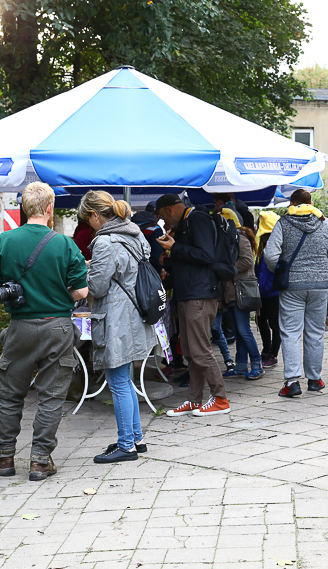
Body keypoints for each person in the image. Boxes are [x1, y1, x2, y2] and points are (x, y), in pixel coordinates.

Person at [0, 182, 89, 481]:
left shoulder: (4, 241)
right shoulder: (65, 244)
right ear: (49, 209)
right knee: (51, 396)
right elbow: (81, 290)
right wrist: (58, 294)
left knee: (9, 394)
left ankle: (4, 457)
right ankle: (41, 461)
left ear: (23, 208)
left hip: (20, 327)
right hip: (57, 327)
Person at [78, 190, 156, 463]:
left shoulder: (106, 242)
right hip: (134, 316)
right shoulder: (135, 234)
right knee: (127, 380)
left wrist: (85, 270)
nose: (90, 227)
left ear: (95, 215)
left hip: (116, 319)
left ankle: (126, 446)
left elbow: (97, 287)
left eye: (88, 222)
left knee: (119, 382)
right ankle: (135, 438)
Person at [263, 189, 328, 398]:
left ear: (292, 203)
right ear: (311, 203)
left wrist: (281, 270)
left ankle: (292, 381)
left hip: (292, 286)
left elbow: (270, 255)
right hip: (319, 286)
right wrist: (321, 267)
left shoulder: (283, 223)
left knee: (290, 332)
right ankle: (314, 379)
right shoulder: (326, 223)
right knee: (315, 333)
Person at [155, 193, 231, 416]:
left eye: (162, 216)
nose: (164, 223)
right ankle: (194, 400)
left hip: (200, 296)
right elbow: (192, 260)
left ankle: (220, 398)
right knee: (189, 351)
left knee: (200, 350)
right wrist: (169, 258)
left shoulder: (197, 218)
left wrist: (175, 247)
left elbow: (206, 255)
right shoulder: (187, 222)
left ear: (169, 209)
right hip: (188, 295)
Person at [221, 225, 264, 380]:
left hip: (242, 291)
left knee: (244, 330)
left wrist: (228, 269)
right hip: (232, 293)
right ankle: (241, 366)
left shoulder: (240, 238)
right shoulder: (228, 238)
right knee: (240, 331)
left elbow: (247, 261)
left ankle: (257, 364)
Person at [256, 212, 281, 369]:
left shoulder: (277, 244)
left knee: (275, 324)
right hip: (262, 292)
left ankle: (273, 353)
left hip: (273, 293)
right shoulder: (259, 245)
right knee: (261, 321)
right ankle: (267, 349)